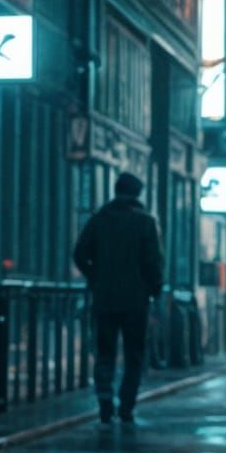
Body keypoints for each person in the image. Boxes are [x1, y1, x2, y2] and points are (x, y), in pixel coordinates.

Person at [73, 171, 164, 425]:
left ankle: (104, 403)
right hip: (136, 301)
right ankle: (126, 406)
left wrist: (95, 277)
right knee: (134, 354)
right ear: (137, 193)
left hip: (104, 299)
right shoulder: (145, 222)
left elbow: (80, 253)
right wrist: (154, 289)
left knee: (104, 352)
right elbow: (153, 262)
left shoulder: (100, 219)